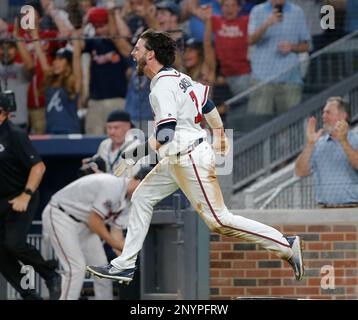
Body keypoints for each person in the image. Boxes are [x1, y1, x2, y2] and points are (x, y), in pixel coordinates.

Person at [86, 29, 304, 283]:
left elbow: (165, 133)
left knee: (219, 221)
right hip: (181, 156)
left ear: (151, 54)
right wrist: (220, 133)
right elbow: (207, 104)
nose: (133, 53)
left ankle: (285, 244)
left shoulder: (162, 87)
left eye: (138, 48)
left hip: (189, 157)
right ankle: (125, 264)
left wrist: (135, 153)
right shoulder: (180, 78)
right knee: (143, 196)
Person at [41, 168, 148, 300]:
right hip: (61, 215)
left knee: (103, 271)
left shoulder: (129, 202)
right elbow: (95, 221)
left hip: (85, 225)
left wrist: (124, 257)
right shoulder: (113, 185)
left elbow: (116, 231)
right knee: (76, 268)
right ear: (135, 180)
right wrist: (116, 244)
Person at [0, 95, 61, 300]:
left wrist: (25, 195)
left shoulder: (14, 134)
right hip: (1, 200)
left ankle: (50, 274)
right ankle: (29, 294)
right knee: (1, 253)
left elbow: (38, 166)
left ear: (2, 113)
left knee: (13, 244)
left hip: (21, 196)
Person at [247, 0, 311, 115]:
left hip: (290, 78)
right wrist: (266, 24)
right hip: (262, 79)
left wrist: (292, 47)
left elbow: (307, 46)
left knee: (292, 124)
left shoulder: (297, 12)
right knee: (259, 124)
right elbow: (250, 40)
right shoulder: (257, 11)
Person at [295, 96, 358, 207]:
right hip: (323, 210)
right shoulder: (318, 144)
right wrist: (309, 144)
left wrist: (344, 141)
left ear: (343, 116)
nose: (323, 116)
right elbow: (300, 172)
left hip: (352, 209)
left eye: (328, 112)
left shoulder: (356, 140)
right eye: (323, 113)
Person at [82, 110, 142, 176]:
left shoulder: (137, 147)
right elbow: (97, 163)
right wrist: (90, 164)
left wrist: (104, 177)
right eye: (109, 128)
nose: (112, 132)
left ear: (128, 127)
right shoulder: (105, 144)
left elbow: (133, 180)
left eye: (116, 128)